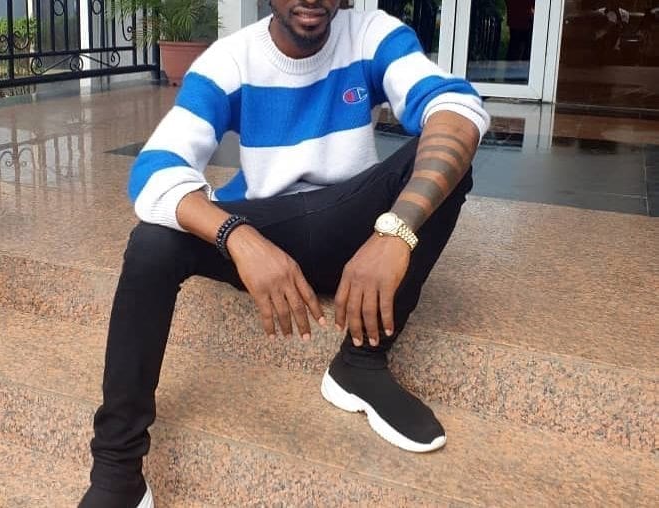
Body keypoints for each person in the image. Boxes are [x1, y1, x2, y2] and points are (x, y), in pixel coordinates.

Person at [79, 1, 489, 506]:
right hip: (266, 228)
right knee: (151, 243)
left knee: (446, 156)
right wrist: (239, 237)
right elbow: (155, 170)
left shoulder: (371, 34)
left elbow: (457, 109)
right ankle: (117, 471)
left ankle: (361, 363)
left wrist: (395, 231)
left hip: (351, 225)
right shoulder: (231, 59)